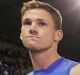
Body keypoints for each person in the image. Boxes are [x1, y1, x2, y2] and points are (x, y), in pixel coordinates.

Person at [20, 0, 80, 75]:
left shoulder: (76, 71)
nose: (32, 28)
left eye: (42, 24)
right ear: (21, 34)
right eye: (27, 23)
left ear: (58, 35)